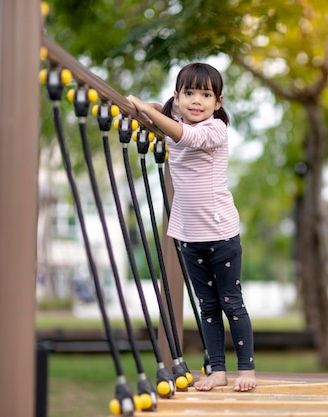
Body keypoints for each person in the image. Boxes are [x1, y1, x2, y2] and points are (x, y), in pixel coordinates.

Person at [127, 62, 257, 392]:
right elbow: (163, 115)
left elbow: (183, 135)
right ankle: (217, 370)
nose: (196, 101)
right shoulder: (175, 116)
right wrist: (151, 108)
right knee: (207, 307)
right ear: (177, 96)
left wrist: (148, 109)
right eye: (188, 93)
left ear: (218, 102)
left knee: (231, 302)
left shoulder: (214, 130)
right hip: (187, 234)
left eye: (205, 94)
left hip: (220, 232)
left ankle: (246, 370)